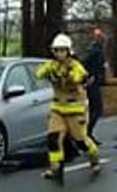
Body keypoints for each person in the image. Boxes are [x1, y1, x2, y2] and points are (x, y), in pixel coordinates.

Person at [38, 33, 102, 181]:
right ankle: (55, 166)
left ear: (68, 51)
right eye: (57, 50)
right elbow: (39, 72)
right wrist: (47, 72)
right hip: (58, 108)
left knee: (80, 141)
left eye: (63, 50)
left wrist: (71, 75)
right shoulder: (52, 65)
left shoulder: (75, 66)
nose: (60, 54)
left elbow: (80, 76)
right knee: (53, 138)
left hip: (75, 109)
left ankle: (94, 158)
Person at [79, 27, 108, 140]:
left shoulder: (97, 50)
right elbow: (83, 63)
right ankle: (86, 132)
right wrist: (89, 76)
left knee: (94, 109)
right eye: (100, 37)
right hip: (92, 84)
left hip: (96, 82)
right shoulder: (94, 51)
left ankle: (88, 133)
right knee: (96, 109)